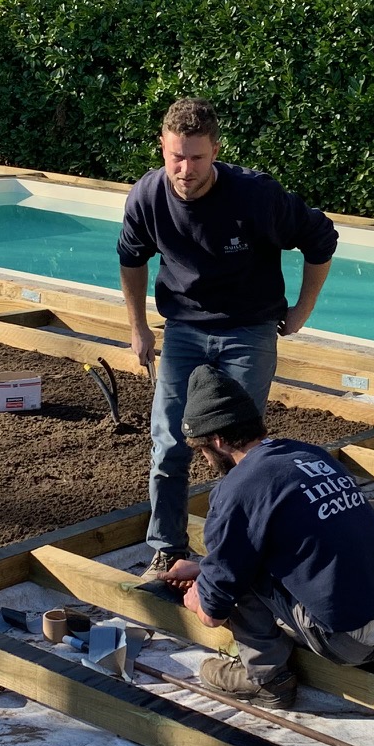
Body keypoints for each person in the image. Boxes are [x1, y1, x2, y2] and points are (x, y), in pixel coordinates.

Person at [118, 97, 338, 582]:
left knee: (237, 448)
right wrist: (137, 327)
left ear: (216, 150)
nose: (184, 168)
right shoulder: (148, 197)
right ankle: (166, 548)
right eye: (176, 156)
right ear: (162, 146)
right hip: (184, 331)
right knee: (169, 443)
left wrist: (302, 310)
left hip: (248, 329)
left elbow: (322, 239)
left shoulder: (256, 196)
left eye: (196, 157)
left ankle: (238, 552)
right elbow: (131, 259)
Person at [159, 365, 374, 710]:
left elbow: (213, 612)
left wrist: (200, 597)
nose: (205, 460)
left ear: (217, 441)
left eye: (203, 450)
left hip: (345, 642)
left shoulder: (238, 488)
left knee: (239, 577)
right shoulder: (311, 456)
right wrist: (205, 567)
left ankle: (265, 679)